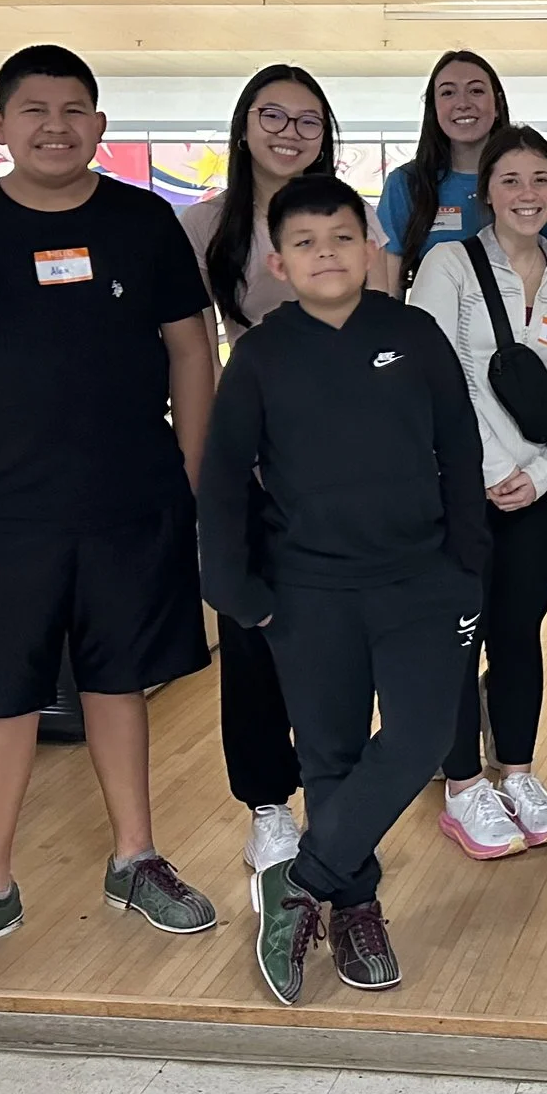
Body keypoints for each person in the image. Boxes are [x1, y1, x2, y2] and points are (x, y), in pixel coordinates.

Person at [0, 45, 218, 983]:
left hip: (130, 505)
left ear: (100, 126)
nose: (56, 125)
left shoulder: (143, 222)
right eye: (34, 109)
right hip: (3, 517)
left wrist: (189, 476)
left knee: (121, 685)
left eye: (75, 109)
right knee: (0, 699)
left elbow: (195, 351)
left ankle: (136, 858)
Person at [198, 172, 488, 1004]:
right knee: (328, 754)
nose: (326, 253)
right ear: (279, 263)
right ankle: (356, 907)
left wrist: (466, 559)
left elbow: (459, 449)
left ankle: (300, 883)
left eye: (341, 237)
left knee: (423, 735)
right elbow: (222, 480)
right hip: (310, 590)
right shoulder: (259, 355)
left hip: (418, 580)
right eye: (305, 242)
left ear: (369, 247)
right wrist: (232, 586)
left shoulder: (415, 334)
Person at [179, 64, 391, 893]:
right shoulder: (202, 226)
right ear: (244, 125)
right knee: (250, 635)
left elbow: (376, 342)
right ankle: (268, 802)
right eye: (274, 115)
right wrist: (209, 472)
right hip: (249, 460)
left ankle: (336, 790)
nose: (291, 131)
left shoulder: (353, 220)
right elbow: (190, 358)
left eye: (309, 120)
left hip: (338, 466)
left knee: (338, 634)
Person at [409, 124, 547, 859]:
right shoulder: (448, 263)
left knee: (518, 634)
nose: (528, 194)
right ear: (486, 190)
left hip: (540, 494)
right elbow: (435, 376)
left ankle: (515, 770)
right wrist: (486, 473)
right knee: (461, 636)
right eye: (511, 179)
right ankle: (462, 786)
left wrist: (544, 474)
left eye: (541, 180)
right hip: (459, 487)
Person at [380, 50, 511, 291]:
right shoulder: (407, 184)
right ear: (434, 108)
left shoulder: (528, 182)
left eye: (476, 91)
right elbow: (387, 291)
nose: (463, 104)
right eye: (448, 93)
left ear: (498, 106)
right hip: (430, 327)